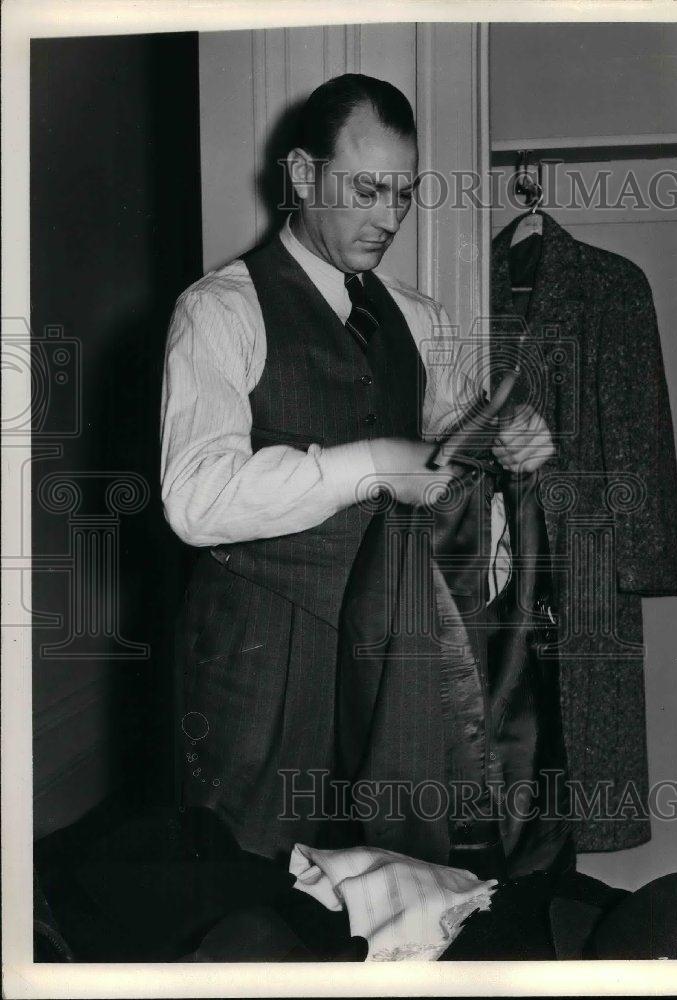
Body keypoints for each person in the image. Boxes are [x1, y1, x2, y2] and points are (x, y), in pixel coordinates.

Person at [160, 73, 553, 865]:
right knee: (249, 895)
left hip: (391, 674)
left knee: (391, 892)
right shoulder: (218, 310)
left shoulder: (417, 316)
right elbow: (194, 498)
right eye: (368, 189)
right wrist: (372, 464)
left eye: (403, 194)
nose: (389, 217)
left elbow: (454, 452)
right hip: (259, 669)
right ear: (303, 176)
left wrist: (512, 444)